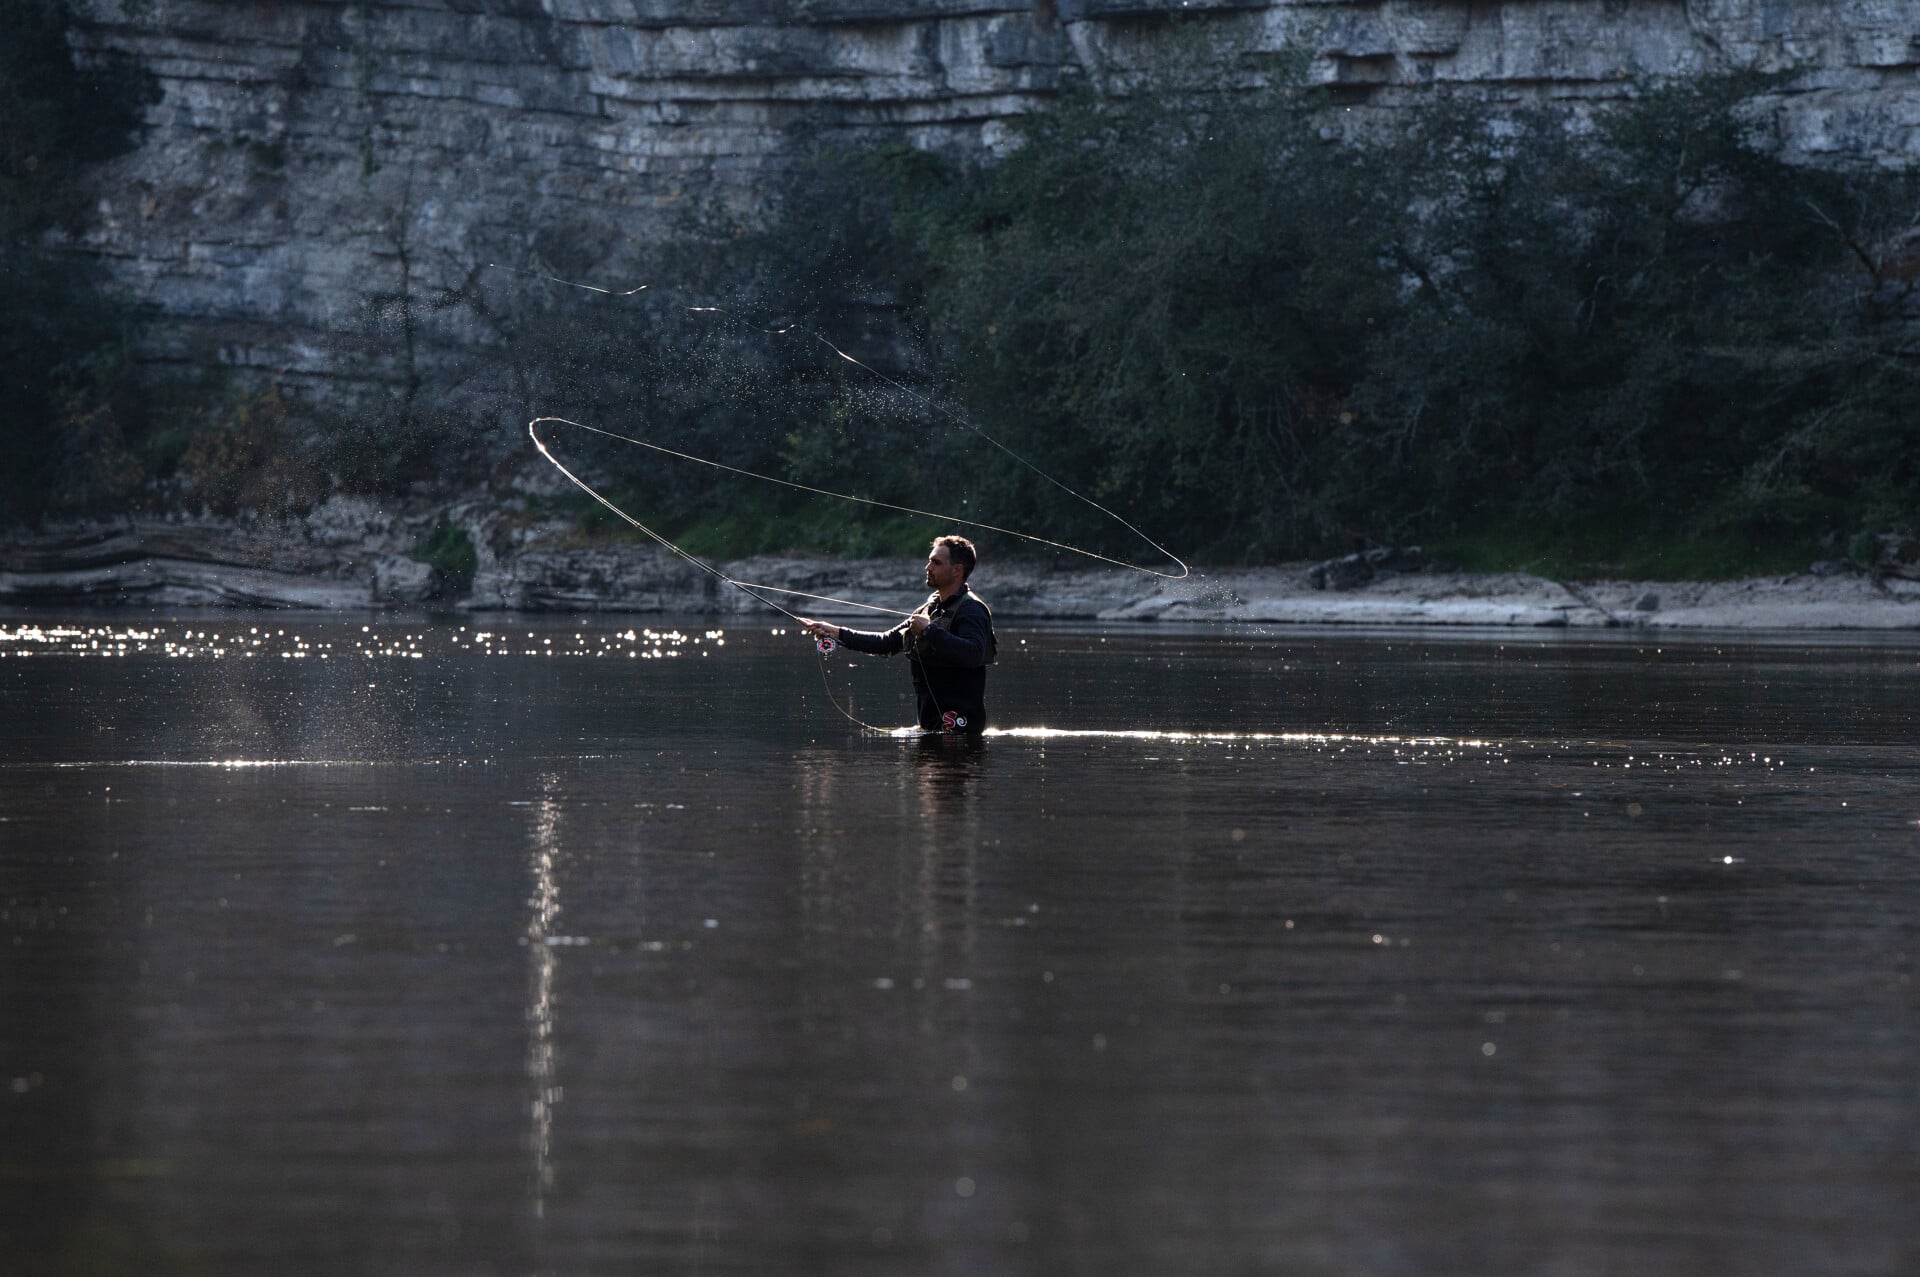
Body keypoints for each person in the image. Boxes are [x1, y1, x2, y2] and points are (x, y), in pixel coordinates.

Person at [800, 536, 997, 732]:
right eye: (929, 561)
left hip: (960, 727)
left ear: (957, 570)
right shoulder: (928, 610)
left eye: (936, 563)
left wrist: (929, 631)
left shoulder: (971, 610)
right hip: (932, 727)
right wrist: (833, 631)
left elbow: (974, 653)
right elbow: (885, 643)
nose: (927, 568)